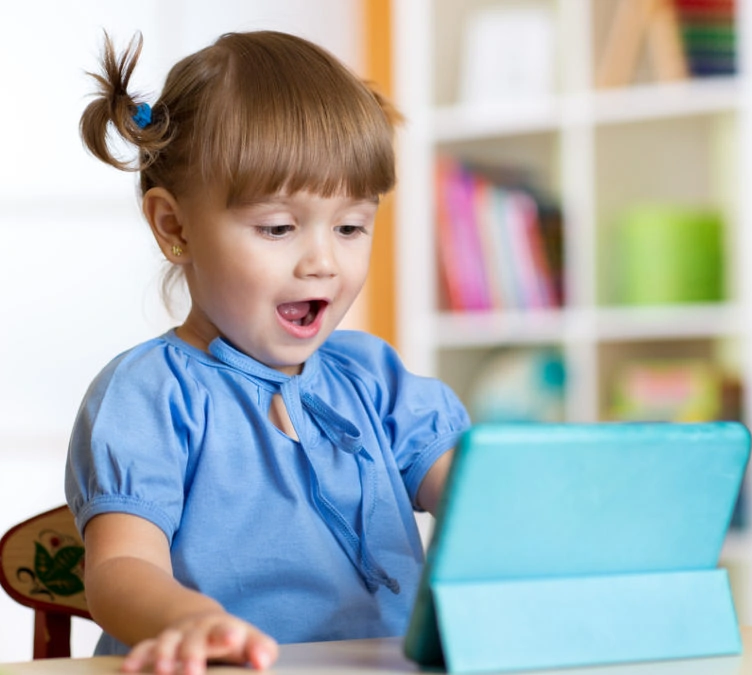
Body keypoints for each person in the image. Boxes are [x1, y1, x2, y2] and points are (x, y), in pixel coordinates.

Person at [65, 29, 470, 675]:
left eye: (350, 226)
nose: (322, 262)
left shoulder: (373, 378)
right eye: (278, 227)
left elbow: (476, 498)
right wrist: (189, 621)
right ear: (174, 227)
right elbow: (119, 566)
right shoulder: (150, 392)